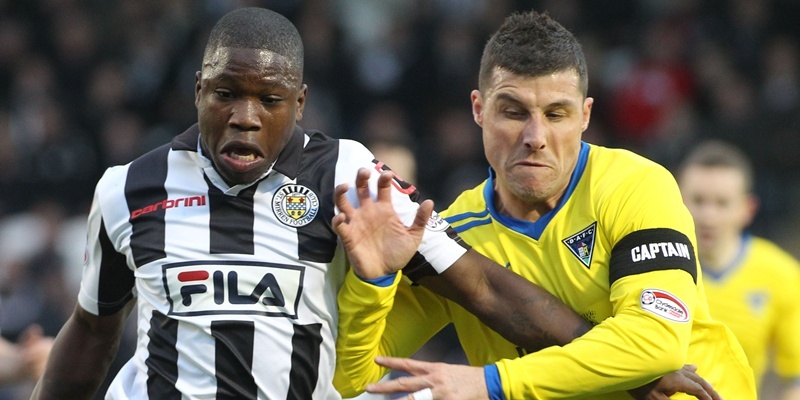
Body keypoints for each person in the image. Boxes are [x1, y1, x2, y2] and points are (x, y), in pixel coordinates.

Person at [30, 7, 698, 400]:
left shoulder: (347, 173)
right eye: (225, 94)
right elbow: (92, 327)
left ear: (299, 103)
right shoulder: (128, 188)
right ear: (197, 90)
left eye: (268, 101)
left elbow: (480, 287)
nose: (243, 117)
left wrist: (630, 382)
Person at [332, 10, 757, 400]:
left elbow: (656, 343)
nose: (535, 136)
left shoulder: (635, 186)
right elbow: (353, 378)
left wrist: (490, 383)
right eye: (514, 112)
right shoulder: (452, 235)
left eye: (556, 114)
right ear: (479, 110)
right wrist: (373, 284)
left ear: (585, 116)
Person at [676, 140, 800, 399]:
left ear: (747, 209)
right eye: (698, 201)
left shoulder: (781, 274)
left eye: (722, 203)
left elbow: (796, 378)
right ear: (676, 200)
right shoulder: (652, 265)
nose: (708, 216)